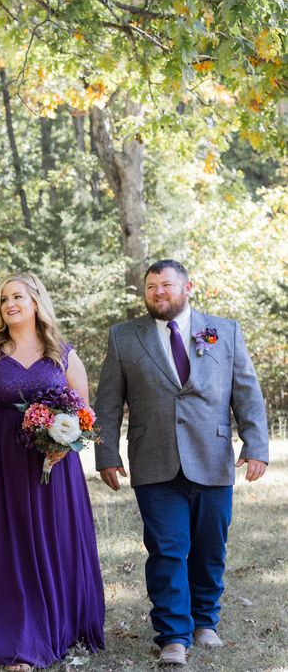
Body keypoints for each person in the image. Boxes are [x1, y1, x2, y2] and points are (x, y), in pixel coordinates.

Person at [94, 259, 269, 666]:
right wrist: (106, 453)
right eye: (151, 286)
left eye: (167, 285)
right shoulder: (124, 337)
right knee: (168, 549)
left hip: (213, 456)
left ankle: (205, 621)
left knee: (210, 547)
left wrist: (256, 445)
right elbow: (106, 402)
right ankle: (173, 635)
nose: (158, 292)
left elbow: (246, 391)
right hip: (153, 459)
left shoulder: (225, 331)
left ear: (187, 289)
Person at [0, 273, 105, 670]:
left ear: (35, 302)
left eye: (18, 297)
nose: (10, 304)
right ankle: (16, 639)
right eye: (4, 299)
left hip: (53, 465)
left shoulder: (61, 352)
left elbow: (85, 418)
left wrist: (66, 446)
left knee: (54, 542)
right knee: (7, 546)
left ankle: (58, 626)